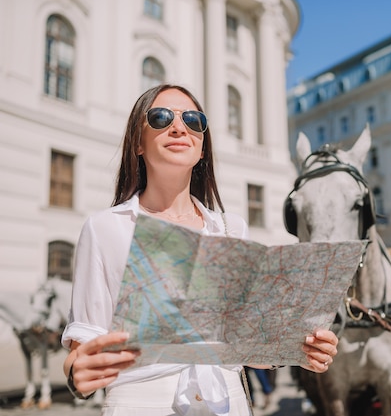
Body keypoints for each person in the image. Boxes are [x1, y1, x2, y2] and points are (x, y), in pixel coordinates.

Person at [61, 84, 338, 416]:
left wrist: (301, 348)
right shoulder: (106, 227)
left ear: (203, 147)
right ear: (137, 142)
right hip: (141, 404)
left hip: (227, 401)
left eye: (193, 120)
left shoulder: (230, 228)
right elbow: (82, 349)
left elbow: (249, 347)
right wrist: (78, 374)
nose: (179, 127)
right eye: (161, 117)